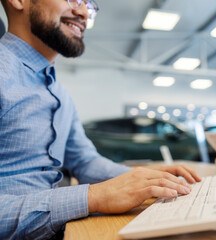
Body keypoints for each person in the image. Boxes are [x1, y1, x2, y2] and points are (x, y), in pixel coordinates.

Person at [0, 0, 201, 239]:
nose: (84, 13)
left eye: (88, 5)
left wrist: (144, 176)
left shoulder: (59, 93)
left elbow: (85, 161)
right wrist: (93, 197)